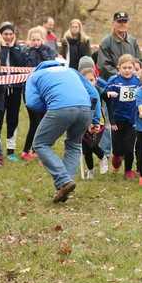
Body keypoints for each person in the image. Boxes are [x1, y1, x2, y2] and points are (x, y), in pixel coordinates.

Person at [25, 60, 101, 203]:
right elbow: (93, 93)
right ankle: (65, 186)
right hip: (85, 109)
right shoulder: (71, 70)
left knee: (40, 144)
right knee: (74, 145)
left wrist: (50, 106)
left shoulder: (34, 75)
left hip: (59, 107)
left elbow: (31, 103)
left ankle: (64, 180)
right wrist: (95, 119)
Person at [22, 27, 57, 161]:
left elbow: (50, 63)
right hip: (30, 90)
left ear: (42, 40)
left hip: (44, 90)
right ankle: (26, 150)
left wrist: (42, 51)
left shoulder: (48, 50)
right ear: (29, 40)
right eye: (33, 40)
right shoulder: (26, 52)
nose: (36, 42)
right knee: (34, 121)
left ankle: (37, 149)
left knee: (43, 121)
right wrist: (32, 52)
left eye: (38, 39)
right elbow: (25, 66)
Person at [104, 54, 141, 179]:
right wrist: (108, 93)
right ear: (118, 68)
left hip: (132, 119)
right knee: (117, 149)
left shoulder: (137, 81)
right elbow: (105, 95)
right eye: (124, 68)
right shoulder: (113, 81)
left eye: (130, 68)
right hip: (117, 119)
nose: (127, 70)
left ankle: (128, 171)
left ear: (134, 68)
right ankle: (116, 160)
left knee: (129, 148)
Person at [0, 22, 27, 162]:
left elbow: (20, 63)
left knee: (13, 119)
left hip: (15, 89)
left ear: (14, 35)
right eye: (5, 34)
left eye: (10, 34)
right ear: (0, 35)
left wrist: (12, 47)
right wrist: (4, 48)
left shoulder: (19, 48)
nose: (8, 37)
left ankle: (11, 150)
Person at [97, 11, 142, 81]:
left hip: (133, 80)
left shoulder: (133, 41)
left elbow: (140, 60)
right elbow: (103, 66)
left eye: (125, 22)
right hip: (113, 81)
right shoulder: (106, 42)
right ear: (113, 23)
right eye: (119, 22)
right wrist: (119, 74)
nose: (122, 24)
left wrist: (137, 66)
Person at [80, 67, 106, 180]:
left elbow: (107, 87)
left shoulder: (98, 91)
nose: (89, 83)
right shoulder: (79, 93)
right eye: (86, 81)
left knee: (92, 144)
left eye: (91, 80)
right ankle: (90, 170)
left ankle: (102, 156)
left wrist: (110, 93)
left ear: (96, 80)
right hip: (83, 123)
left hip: (98, 121)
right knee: (86, 149)